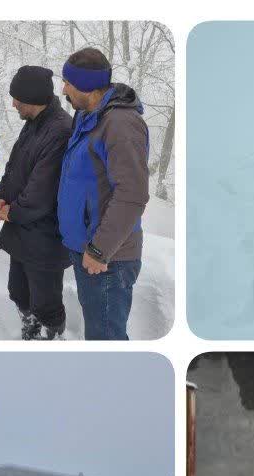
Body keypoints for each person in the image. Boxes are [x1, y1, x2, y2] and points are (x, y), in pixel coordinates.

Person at [58, 47, 150, 340]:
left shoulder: (121, 125)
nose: (64, 89)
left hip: (108, 259)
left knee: (107, 341)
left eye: (68, 83)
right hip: (90, 252)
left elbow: (132, 194)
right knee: (98, 337)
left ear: (86, 86)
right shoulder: (88, 117)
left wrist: (100, 249)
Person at [0, 66, 73, 340]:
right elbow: (13, 167)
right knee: (18, 292)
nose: (13, 103)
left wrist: (11, 212)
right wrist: (1, 196)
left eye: (17, 98)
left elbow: (43, 191)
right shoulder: (33, 125)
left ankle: (51, 336)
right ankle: (31, 327)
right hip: (22, 233)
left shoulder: (60, 131)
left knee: (46, 303)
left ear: (33, 98)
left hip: (46, 238)